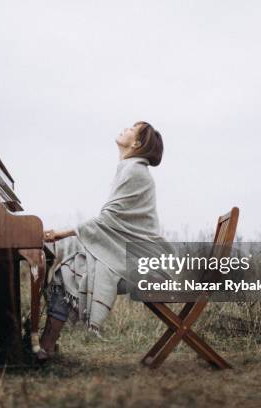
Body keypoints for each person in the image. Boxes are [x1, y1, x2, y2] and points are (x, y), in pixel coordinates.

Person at [39, 121, 165, 360]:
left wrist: (60, 234)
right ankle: (47, 344)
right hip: (129, 256)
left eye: (131, 128)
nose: (124, 128)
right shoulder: (130, 170)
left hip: (143, 263)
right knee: (69, 270)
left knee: (66, 272)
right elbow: (113, 223)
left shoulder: (135, 172)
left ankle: (46, 346)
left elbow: (108, 220)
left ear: (136, 143)